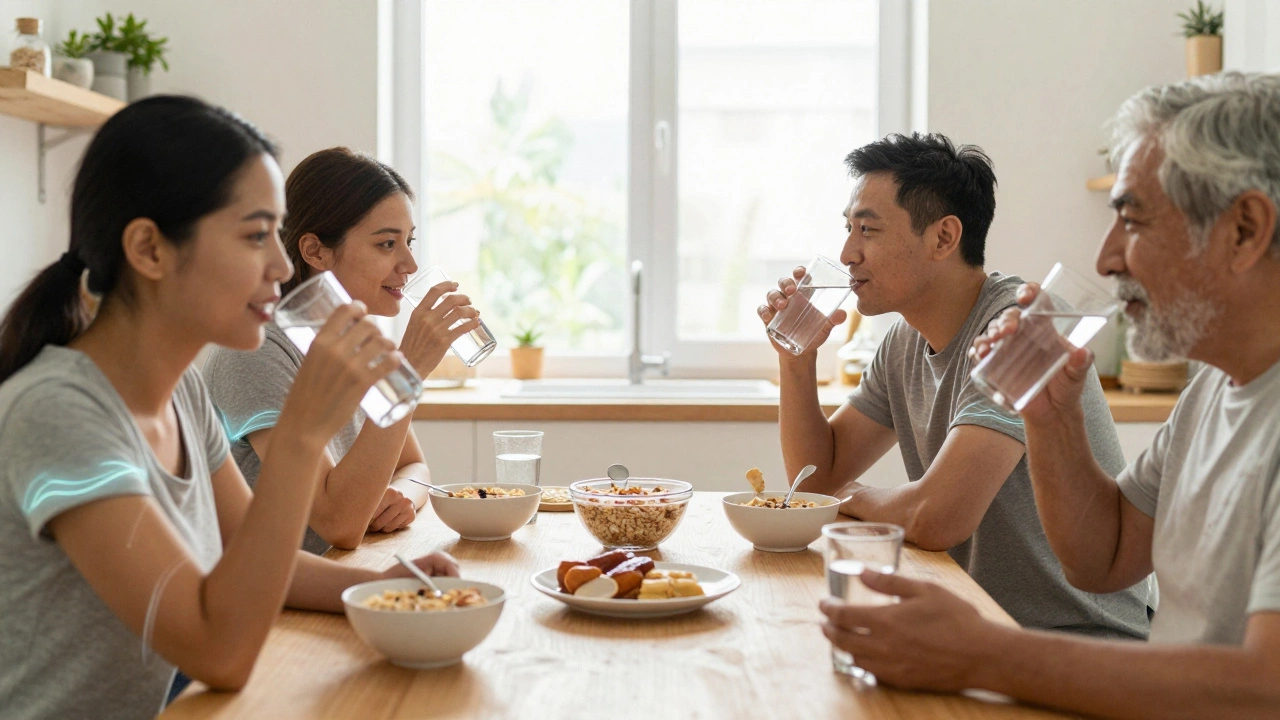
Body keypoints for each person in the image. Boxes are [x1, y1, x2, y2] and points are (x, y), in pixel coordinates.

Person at [820, 72, 1280, 718]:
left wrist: (984, 653)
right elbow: (1106, 554)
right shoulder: (1212, 390)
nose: (1107, 256)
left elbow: (1264, 688)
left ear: (1245, 229)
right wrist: (1049, 414)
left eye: (1132, 218)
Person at [0, 96, 457, 719]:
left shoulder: (180, 390)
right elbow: (221, 651)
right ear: (150, 249)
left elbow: (265, 564)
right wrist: (301, 436)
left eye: (277, 233)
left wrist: (381, 587)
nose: (279, 263)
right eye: (254, 235)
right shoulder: (59, 413)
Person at [762, 132, 1149, 636]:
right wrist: (797, 358)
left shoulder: (1019, 333)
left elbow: (936, 517)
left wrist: (850, 496)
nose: (847, 252)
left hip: (1077, 639)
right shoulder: (904, 340)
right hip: (983, 633)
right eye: (847, 228)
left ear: (944, 238)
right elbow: (815, 478)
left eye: (867, 229)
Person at [204, 147, 480, 554]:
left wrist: (402, 495)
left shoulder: (355, 338)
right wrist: (410, 369)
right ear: (315, 251)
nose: (409, 262)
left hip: (348, 572)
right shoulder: (257, 352)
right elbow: (339, 524)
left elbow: (413, 467)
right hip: (281, 598)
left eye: (409, 241)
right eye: (387, 244)